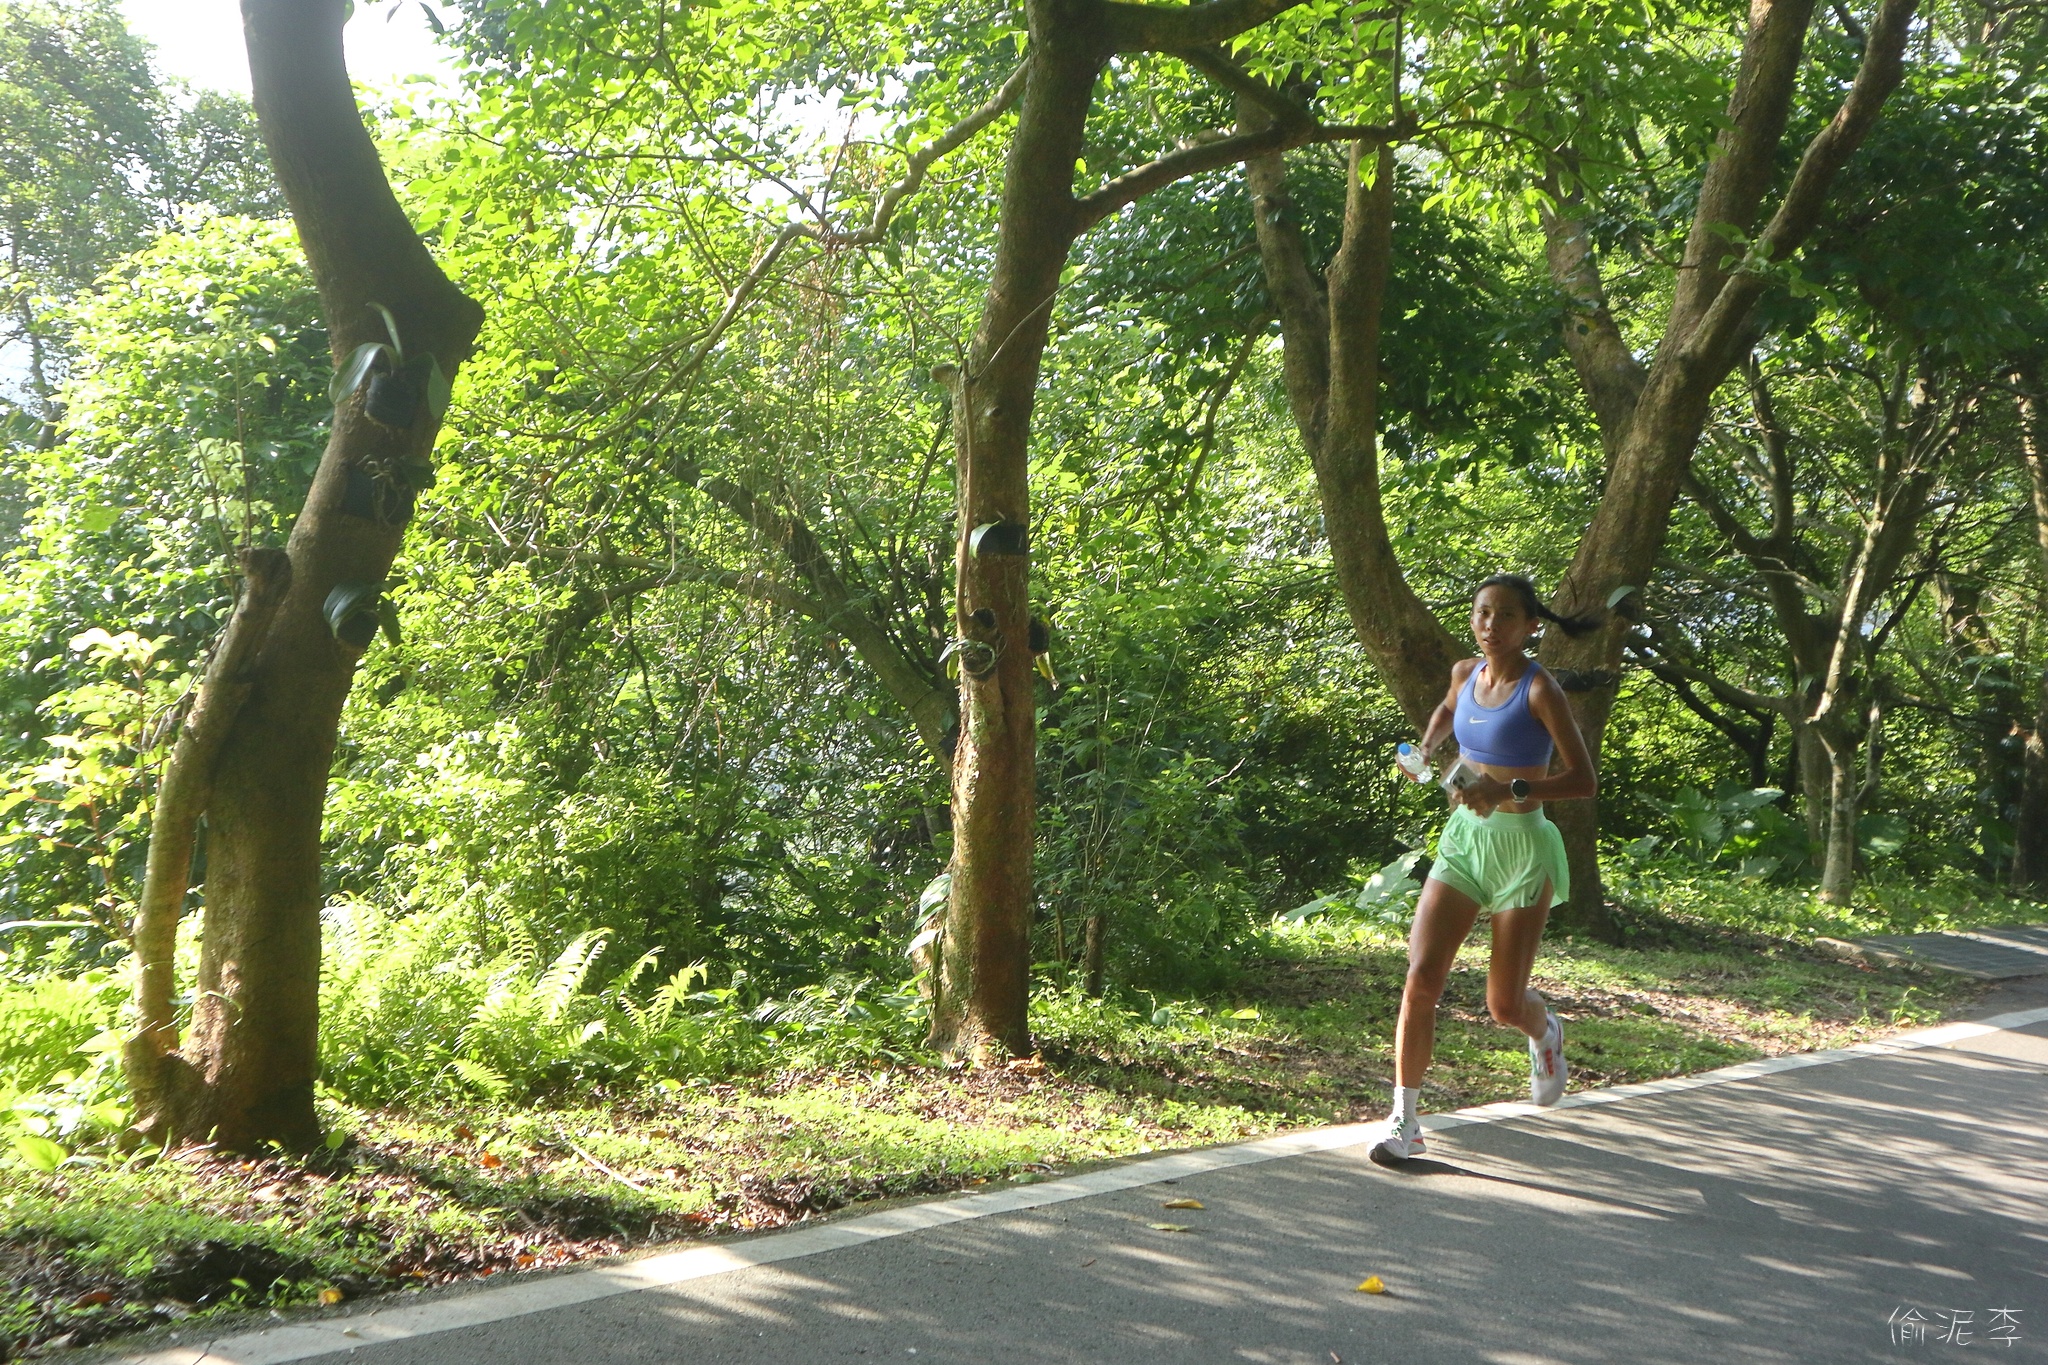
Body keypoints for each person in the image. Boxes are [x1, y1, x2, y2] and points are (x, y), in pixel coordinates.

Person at [1369, 574, 1600, 1164]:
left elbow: (1582, 780)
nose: (1490, 625)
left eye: (1505, 616)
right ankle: (1405, 1121)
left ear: (1531, 627)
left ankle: (1544, 1030)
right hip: (1465, 843)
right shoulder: (1463, 673)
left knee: (1503, 1006)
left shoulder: (1540, 690)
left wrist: (1507, 790)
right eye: (1482, 613)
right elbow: (1449, 710)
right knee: (1421, 978)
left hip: (1524, 850)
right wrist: (1425, 749)